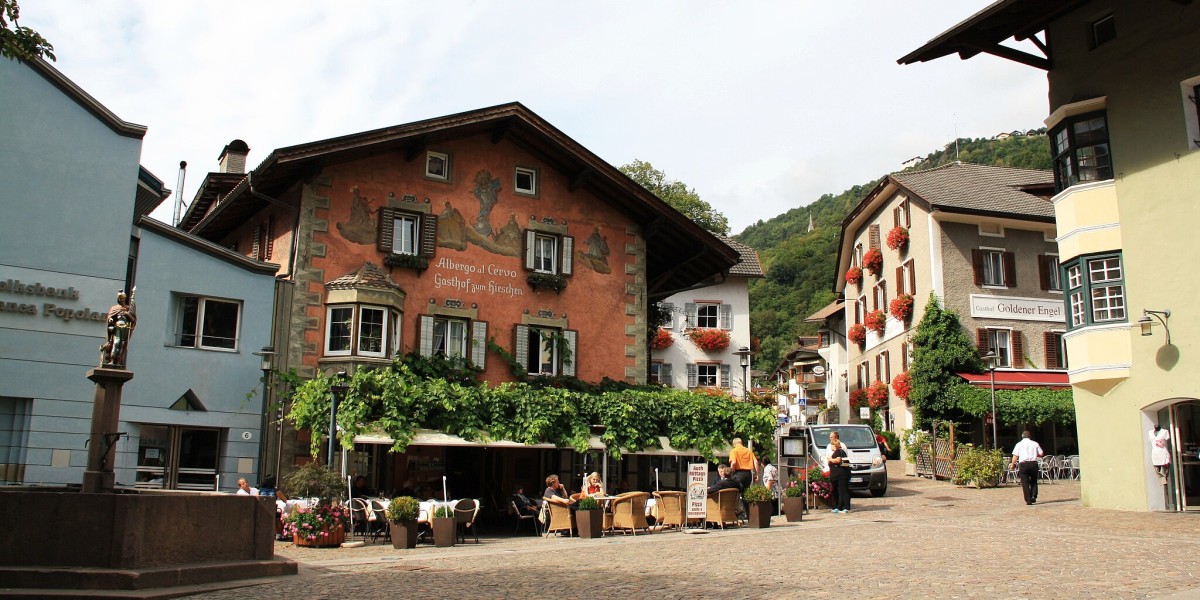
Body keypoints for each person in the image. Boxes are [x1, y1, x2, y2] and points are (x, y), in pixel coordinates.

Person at [1010, 430, 1045, 505]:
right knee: (1034, 480)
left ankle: (1028, 499)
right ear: (1030, 436)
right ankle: (1033, 495)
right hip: (1033, 463)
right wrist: (1035, 455)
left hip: (1023, 464)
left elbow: (1015, 455)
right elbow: (1041, 453)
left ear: (1022, 436)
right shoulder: (1035, 443)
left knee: (1025, 482)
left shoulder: (1019, 444)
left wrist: (1013, 464)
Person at [827, 431, 851, 513]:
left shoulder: (839, 451)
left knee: (843, 490)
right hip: (836, 474)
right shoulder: (836, 451)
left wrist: (830, 459)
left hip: (841, 474)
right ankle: (839, 506)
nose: (831, 446)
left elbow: (838, 460)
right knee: (839, 491)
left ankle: (846, 507)